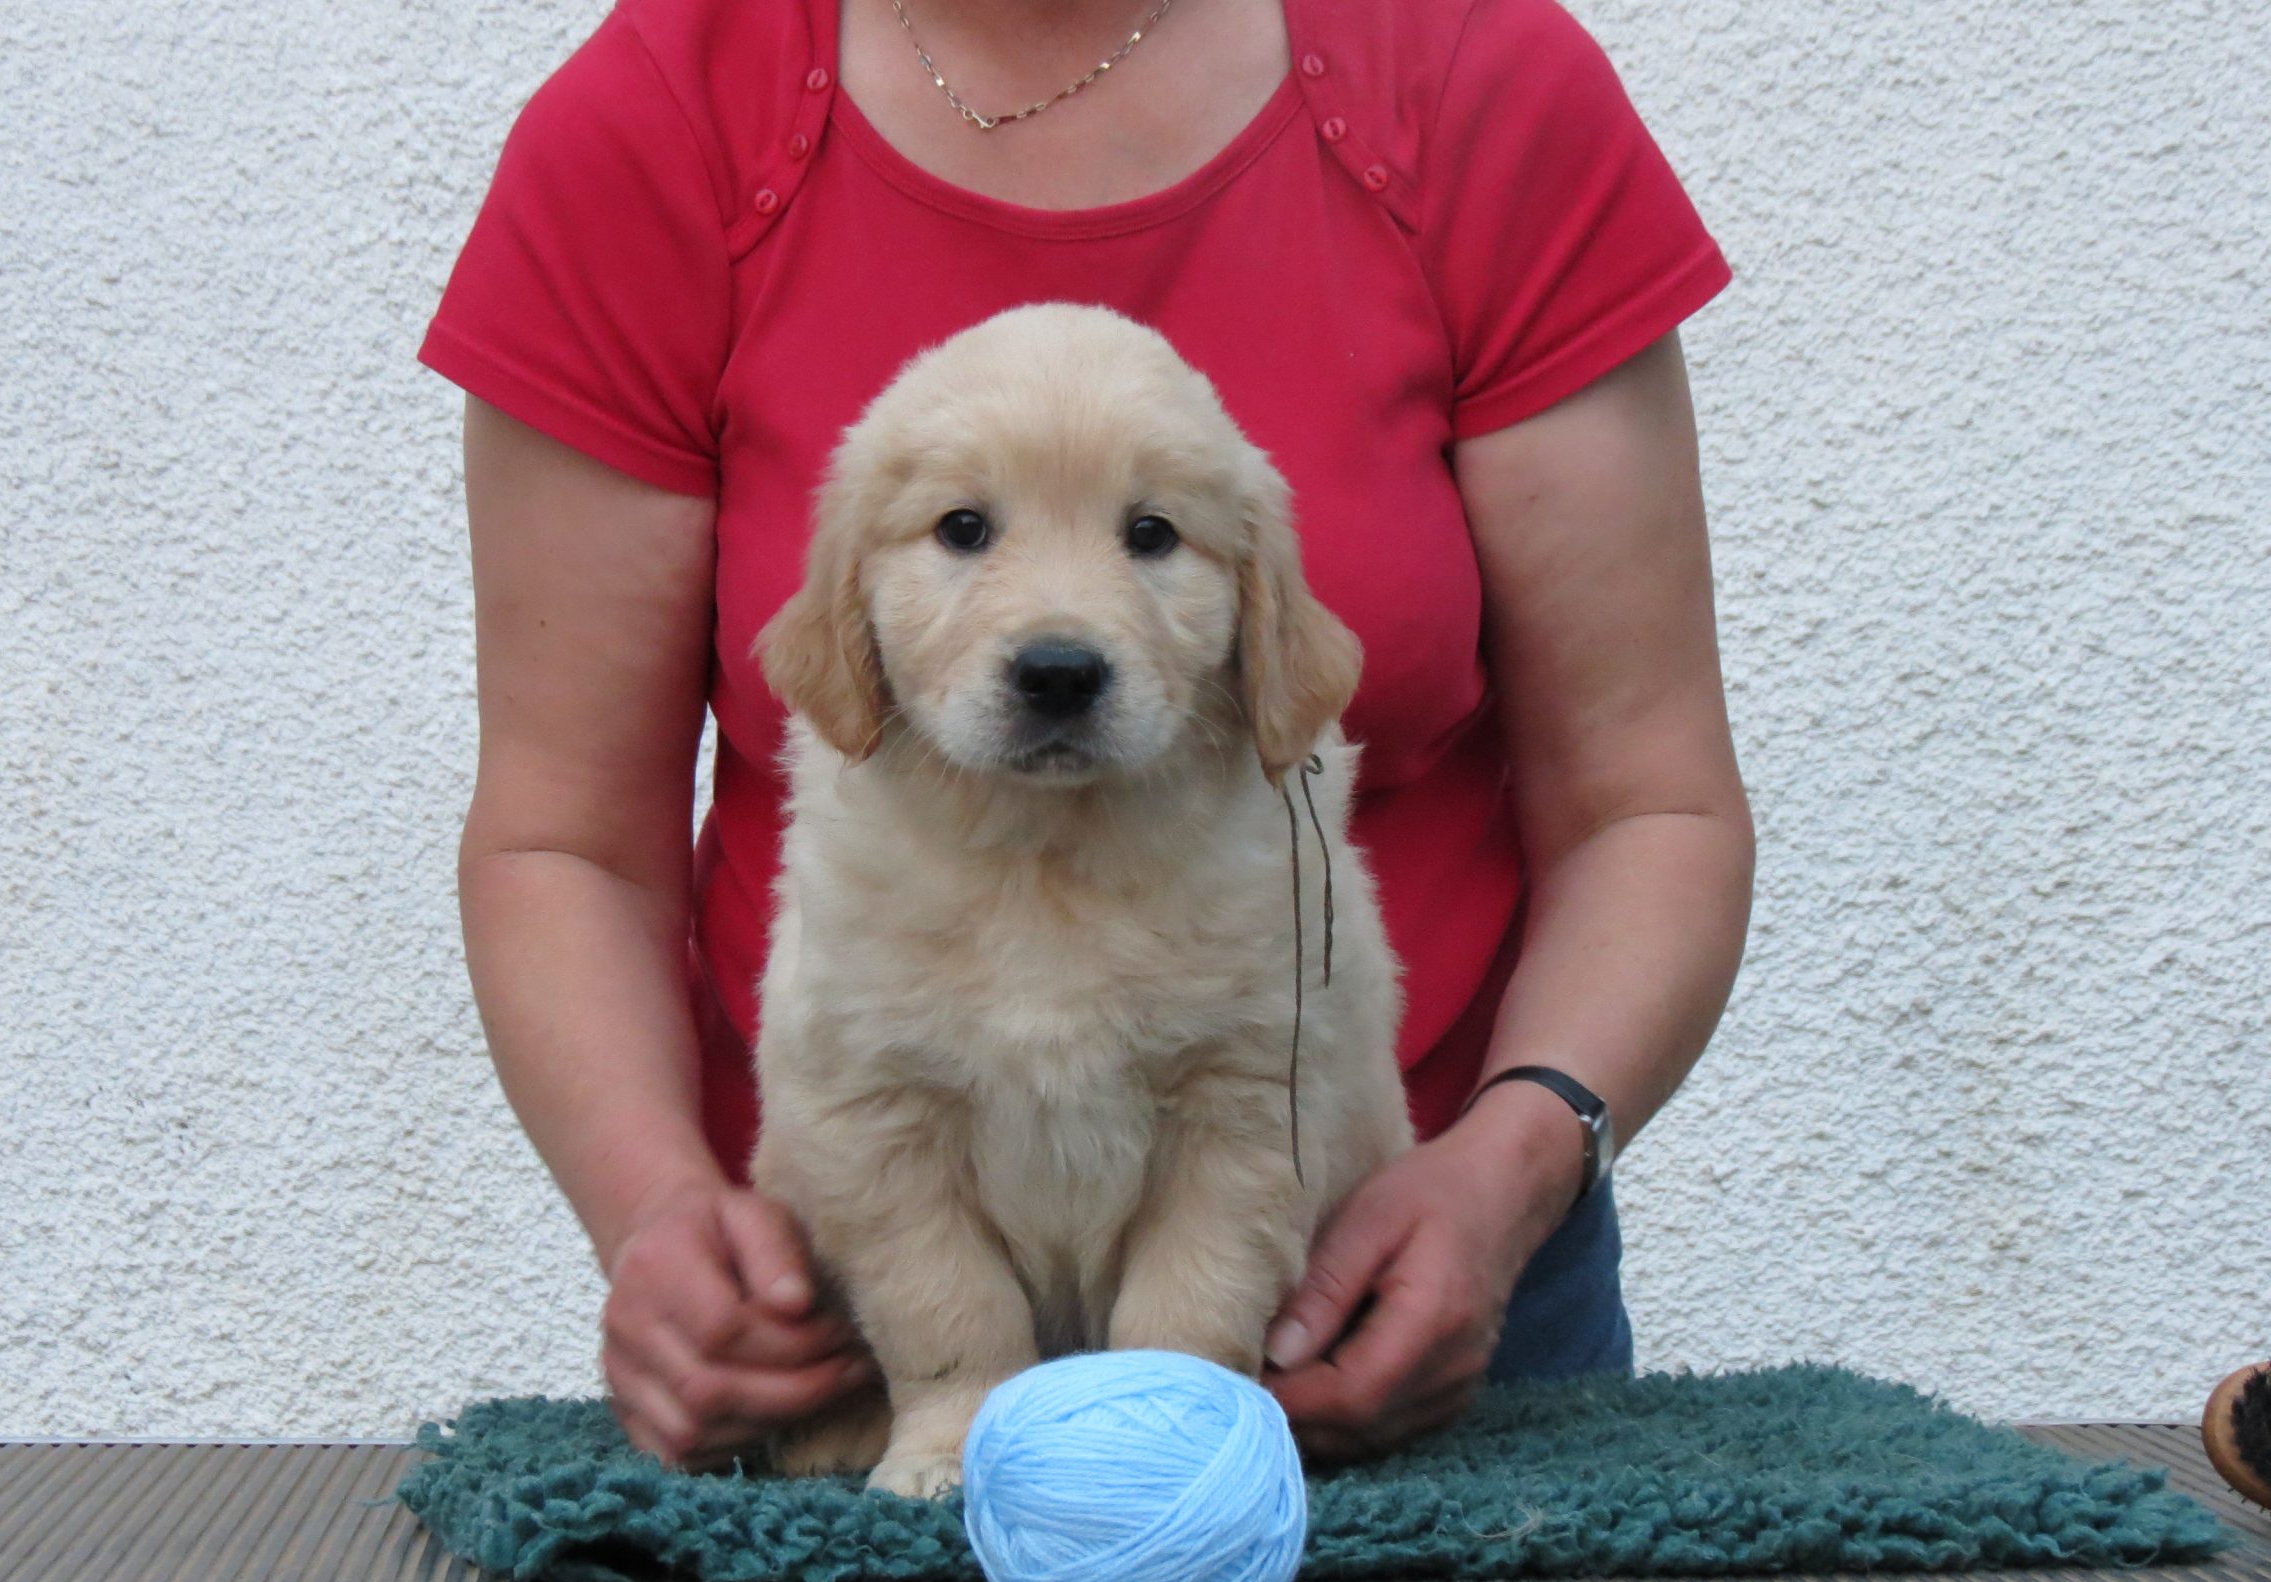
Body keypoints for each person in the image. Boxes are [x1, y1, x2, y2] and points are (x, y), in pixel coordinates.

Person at [421, 0, 1754, 1467]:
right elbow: (566, 839)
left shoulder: (1471, 80)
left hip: (1405, 1309)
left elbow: (1653, 807)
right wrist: (659, 1216)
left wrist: (1501, 1179)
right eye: (969, 530)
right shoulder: (667, 116)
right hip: (848, 1338)